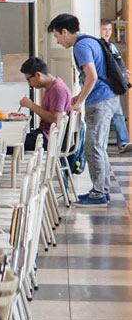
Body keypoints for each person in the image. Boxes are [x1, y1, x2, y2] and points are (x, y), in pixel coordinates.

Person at [49, 13, 119, 205]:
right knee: (99, 146)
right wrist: (79, 97)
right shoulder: (90, 41)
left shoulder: (81, 46)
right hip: (107, 97)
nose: (58, 41)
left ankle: (99, 193)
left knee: (93, 145)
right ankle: (102, 190)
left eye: (57, 36)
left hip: (100, 100)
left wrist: (81, 101)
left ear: (65, 32)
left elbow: (92, 76)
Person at [19, 57, 70, 151]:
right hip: (45, 134)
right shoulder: (51, 87)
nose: (29, 84)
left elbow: (55, 119)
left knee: (12, 144)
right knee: (16, 139)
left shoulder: (57, 89)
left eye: (28, 80)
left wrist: (31, 105)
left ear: (38, 75)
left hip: (49, 138)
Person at [100, 19, 131, 153]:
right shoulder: (100, 46)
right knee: (112, 115)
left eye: (109, 30)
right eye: (104, 29)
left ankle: (123, 143)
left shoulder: (111, 45)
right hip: (108, 86)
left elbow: (118, 63)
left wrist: (124, 73)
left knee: (118, 114)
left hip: (116, 84)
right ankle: (121, 143)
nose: (107, 33)